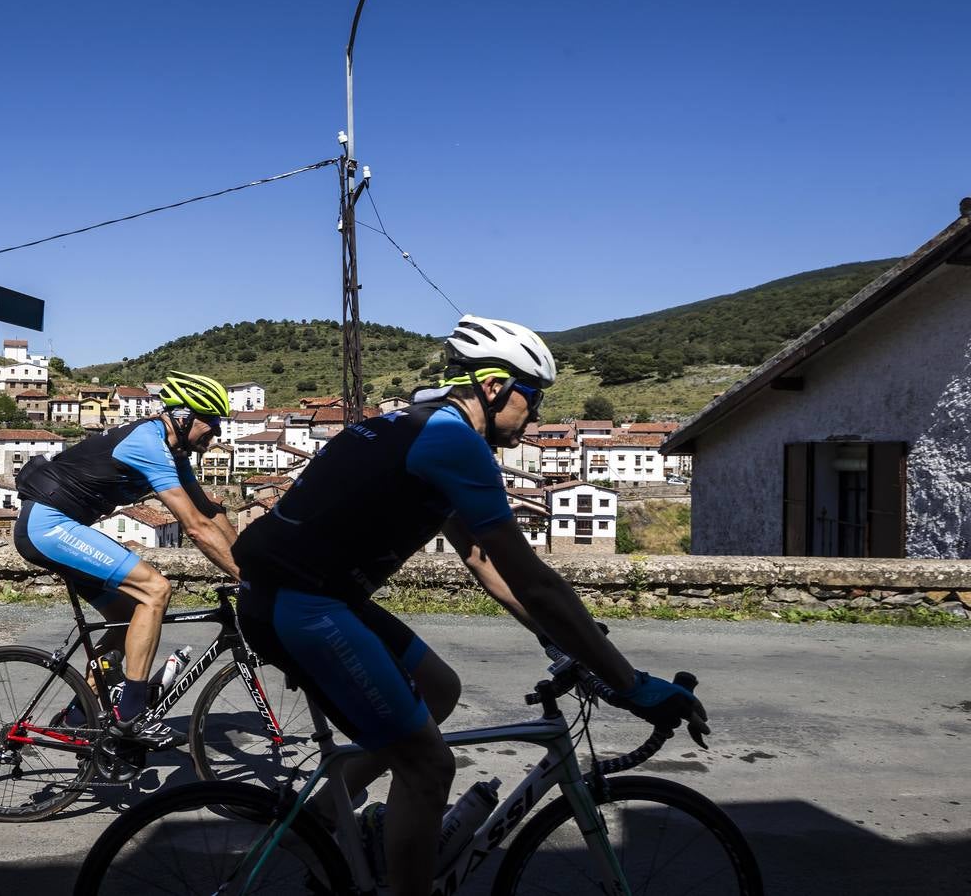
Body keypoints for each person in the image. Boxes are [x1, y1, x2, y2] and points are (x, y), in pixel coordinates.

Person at [233, 315, 708, 896]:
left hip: (311, 594)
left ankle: (321, 819)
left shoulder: (424, 425)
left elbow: (482, 560)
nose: (534, 415)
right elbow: (535, 582)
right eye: (532, 399)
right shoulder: (451, 440)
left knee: (440, 691)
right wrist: (630, 683)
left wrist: (562, 642)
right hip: (301, 604)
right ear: (493, 387)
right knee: (430, 767)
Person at [15, 371, 239, 750]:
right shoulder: (147, 443)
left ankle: (77, 718)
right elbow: (196, 528)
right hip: (47, 526)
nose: (214, 436)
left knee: (129, 614)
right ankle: (131, 716)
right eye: (211, 424)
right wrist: (245, 577)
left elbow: (208, 510)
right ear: (183, 417)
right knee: (155, 590)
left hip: (57, 527)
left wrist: (250, 560)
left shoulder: (173, 452)